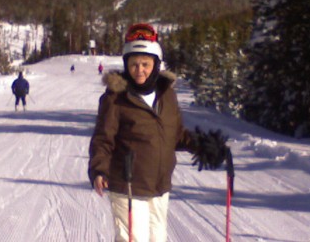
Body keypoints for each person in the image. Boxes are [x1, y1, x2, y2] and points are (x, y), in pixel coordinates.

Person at [88, 23, 228, 242]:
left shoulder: (167, 95)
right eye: (134, 64)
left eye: (145, 64)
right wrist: (99, 170)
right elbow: (103, 138)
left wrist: (202, 145)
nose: (139, 70)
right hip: (128, 185)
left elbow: (175, 134)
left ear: (155, 64)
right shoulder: (115, 98)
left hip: (160, 186)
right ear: (126, 65)